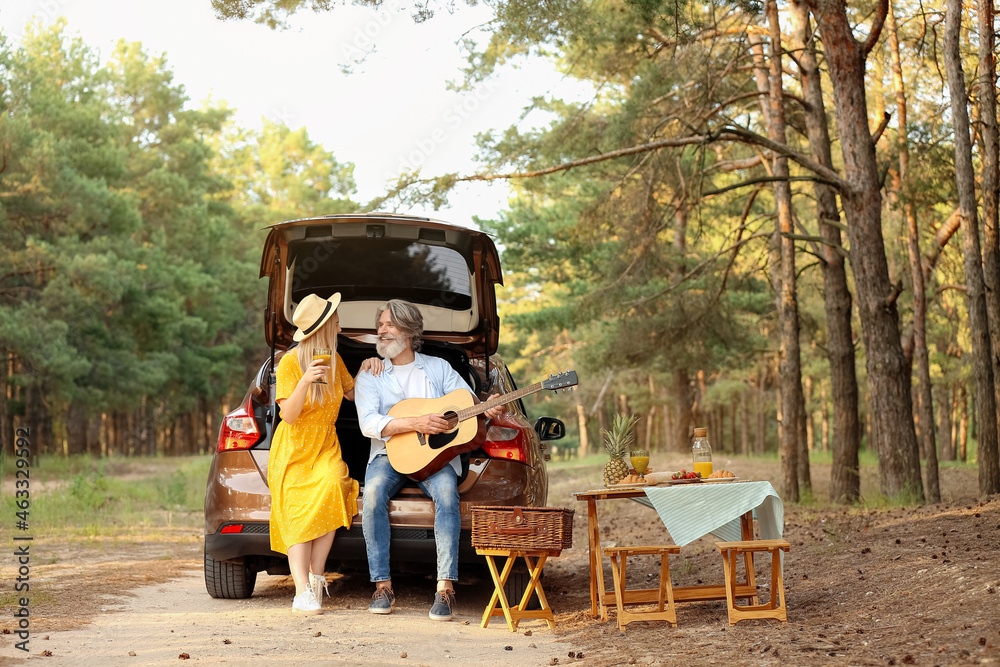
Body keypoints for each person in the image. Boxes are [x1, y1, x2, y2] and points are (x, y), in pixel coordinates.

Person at [355, 299, 504, 621]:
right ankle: (382, 586)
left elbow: (467, 408)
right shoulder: (370, 373)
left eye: (389, 324)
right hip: (388, 453)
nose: (381, 330)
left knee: (448, 496)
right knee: (373, 495)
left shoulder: (438, 368)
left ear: (409, 331)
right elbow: (368, 424)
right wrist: (415, 423)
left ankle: (445, 589)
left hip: (434, 459)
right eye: (379, 324)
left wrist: (487, 410)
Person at [268, 292, 382, 614]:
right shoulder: (290, 363)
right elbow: (288, 415)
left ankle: (316, 577)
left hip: (325, 446)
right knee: (298, 508)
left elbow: (350, 394)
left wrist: (368, 365)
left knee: (333, 486)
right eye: (335, 319)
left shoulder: (334, 359)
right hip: (294, 450)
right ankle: (301, 590)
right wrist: (305, 380)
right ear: (322, 328)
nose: (339, 323)